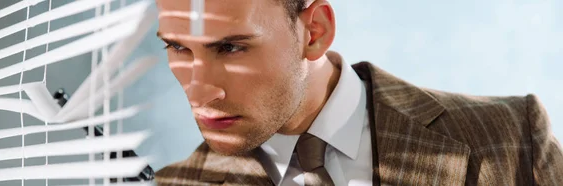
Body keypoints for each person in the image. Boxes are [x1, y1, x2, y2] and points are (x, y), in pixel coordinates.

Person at [152, 0, 563, 185]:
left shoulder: (512, 138)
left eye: (231, 47)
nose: (199, 91)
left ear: (314, 32)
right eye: (177, 47)